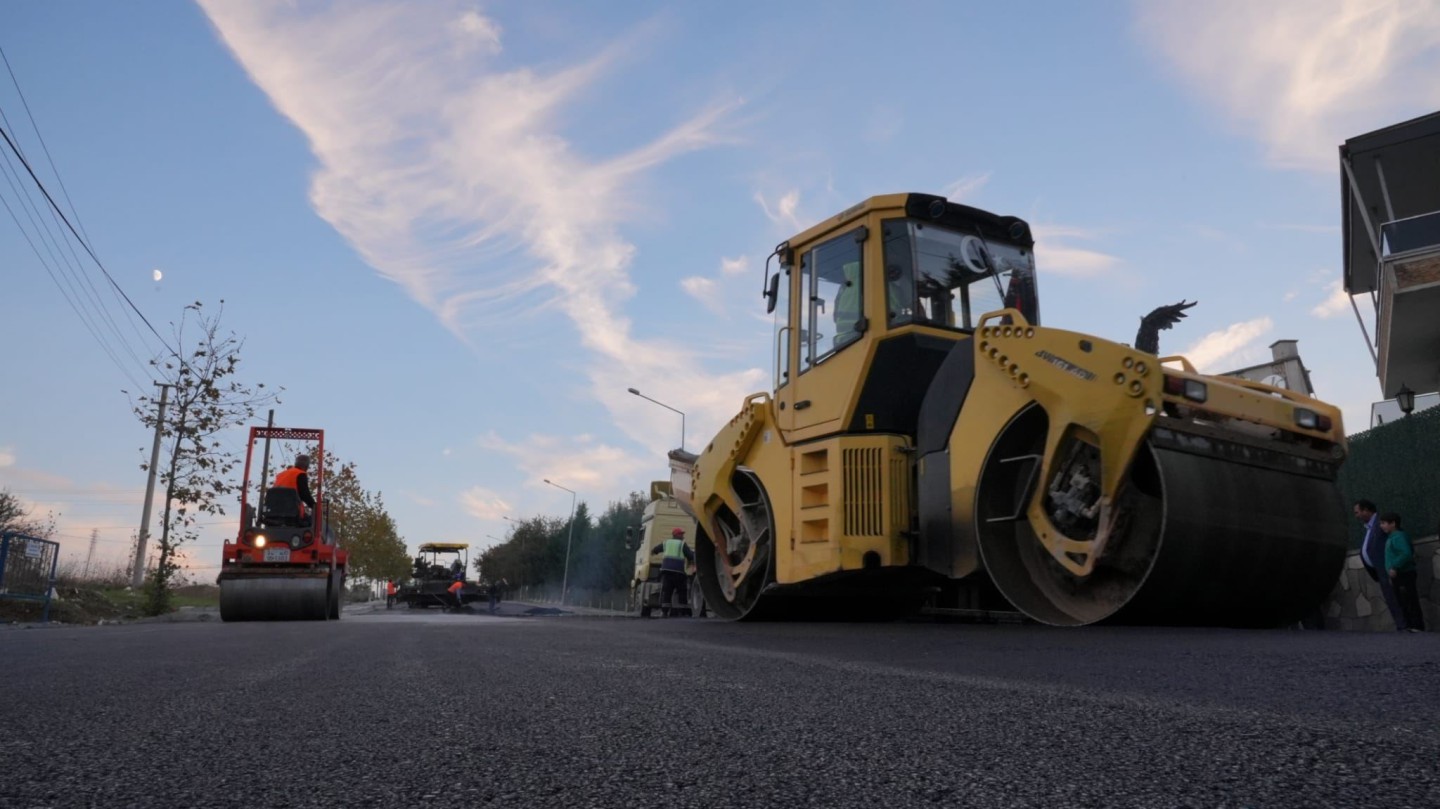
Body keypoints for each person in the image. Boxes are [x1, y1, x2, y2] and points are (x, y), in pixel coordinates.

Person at [1355, 499, 1406, 631]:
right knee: (1391, 599)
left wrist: (1393, 565)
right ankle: (1401, 626)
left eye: (1358, 512)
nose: (1357, 516)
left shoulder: (1381, 523)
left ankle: (1406, 626)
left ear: (1366, 510)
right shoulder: (1369, 528)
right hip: (1380, 571)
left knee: (1397, 599)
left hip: (1389, 569)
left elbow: (1396, 540)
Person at [1380, 512, 1425, 633]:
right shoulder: (1392, 538)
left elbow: (1405, 553)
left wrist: (1394, 567)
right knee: (1403, 600)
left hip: (1404, 573)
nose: (1381, 526)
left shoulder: (1398, 537)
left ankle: (1416, 625)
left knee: (1409, 599)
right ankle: (1409, 625)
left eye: (1384, 523)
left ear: (1393, 523)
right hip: (1398, 575)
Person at [651, 526, 696, 617]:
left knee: (667, 591)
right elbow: (690, 555)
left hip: (666, 572)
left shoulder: (666, 543)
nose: (683, 536)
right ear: (677, 535)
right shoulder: (682, 544)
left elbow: (656, 549)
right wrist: (694, 557)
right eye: (681, 534)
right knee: (682, 591)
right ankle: (683, 611)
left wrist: (653, 552)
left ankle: (664, 612)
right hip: (678, 572)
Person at [274, 454, 316, 523]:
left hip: (273, 511)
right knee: (312, 522)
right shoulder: (300, 474)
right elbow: (305, 495)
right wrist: (314, 506)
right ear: (307, 466)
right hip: (292, 512)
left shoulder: (280, 475)